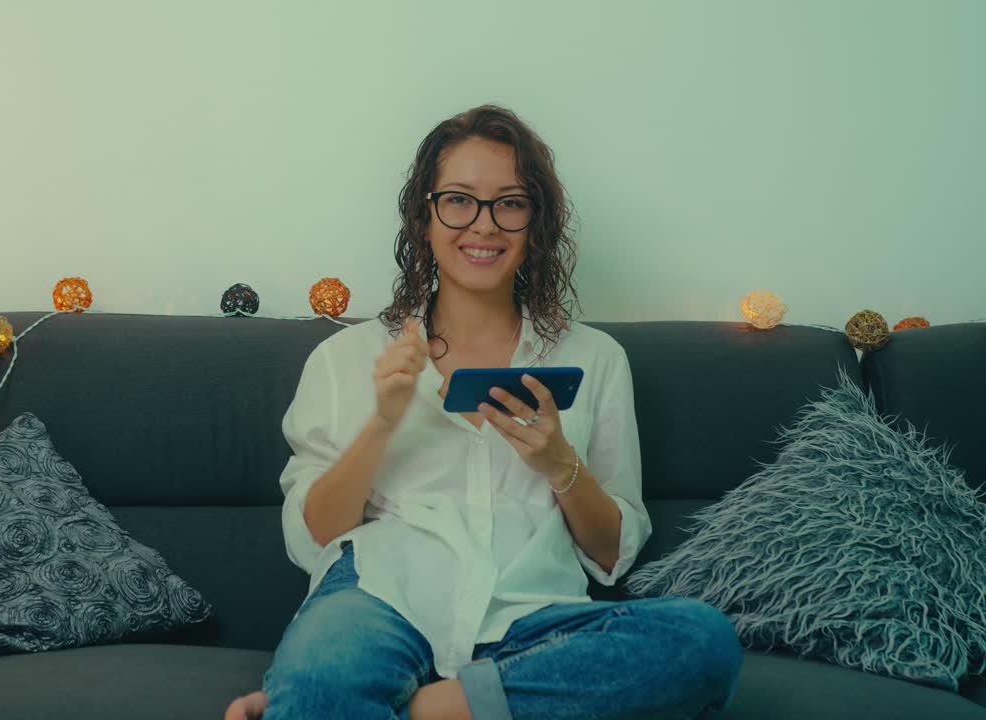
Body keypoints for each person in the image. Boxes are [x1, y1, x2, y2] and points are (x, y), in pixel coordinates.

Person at [225, 105, 743, 720]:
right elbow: (313, 536)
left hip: (532, 617)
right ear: (424, 217)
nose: (484, 225)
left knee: (703, 642)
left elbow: (611, 556)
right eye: (459, 201)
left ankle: (411, 709)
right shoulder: (347, 356)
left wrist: (560, 465)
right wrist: (382, 421)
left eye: (510, 203)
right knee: (323, 676)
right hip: (379, 597)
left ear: (535, 223)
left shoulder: (595, 358)